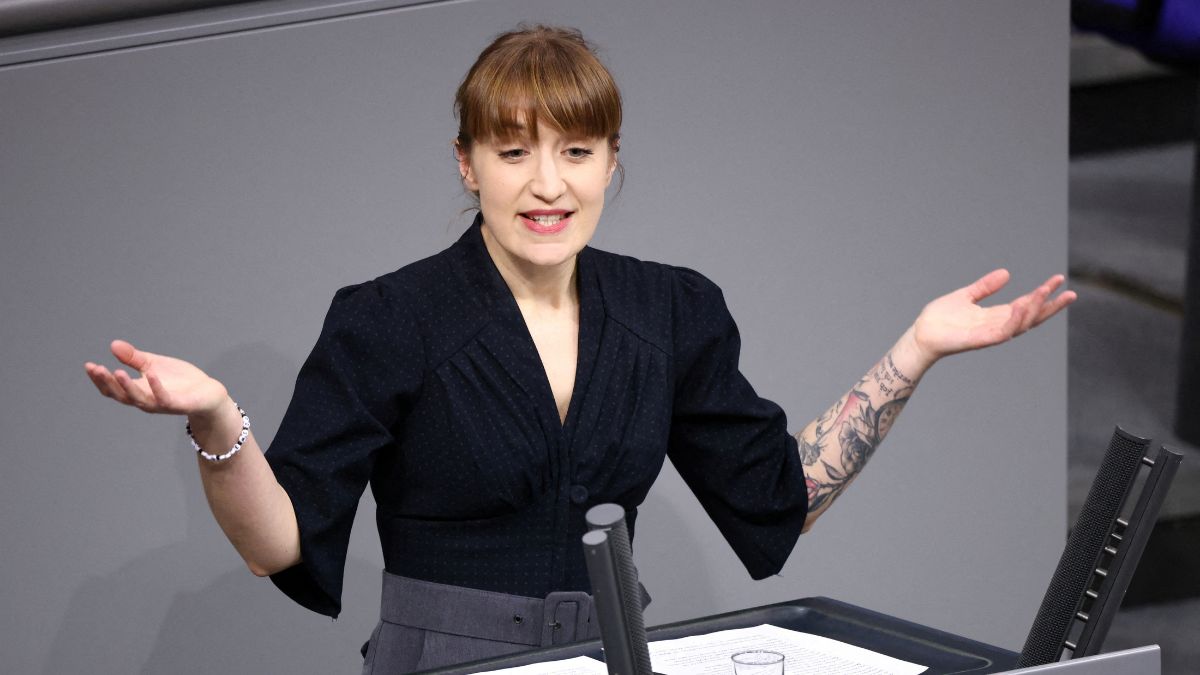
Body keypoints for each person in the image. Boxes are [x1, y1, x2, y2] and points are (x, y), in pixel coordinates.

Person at [83, 25, 1075, 674]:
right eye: (514, 152)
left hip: (619, 656)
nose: (546, 184)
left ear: (612, 163)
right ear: (467, 164)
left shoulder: (669, 308)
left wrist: (915, 351)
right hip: (445, 663)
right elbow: (280, 546)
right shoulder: (389, 319)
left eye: (576, 151)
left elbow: (780, 498)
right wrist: (216, 417)